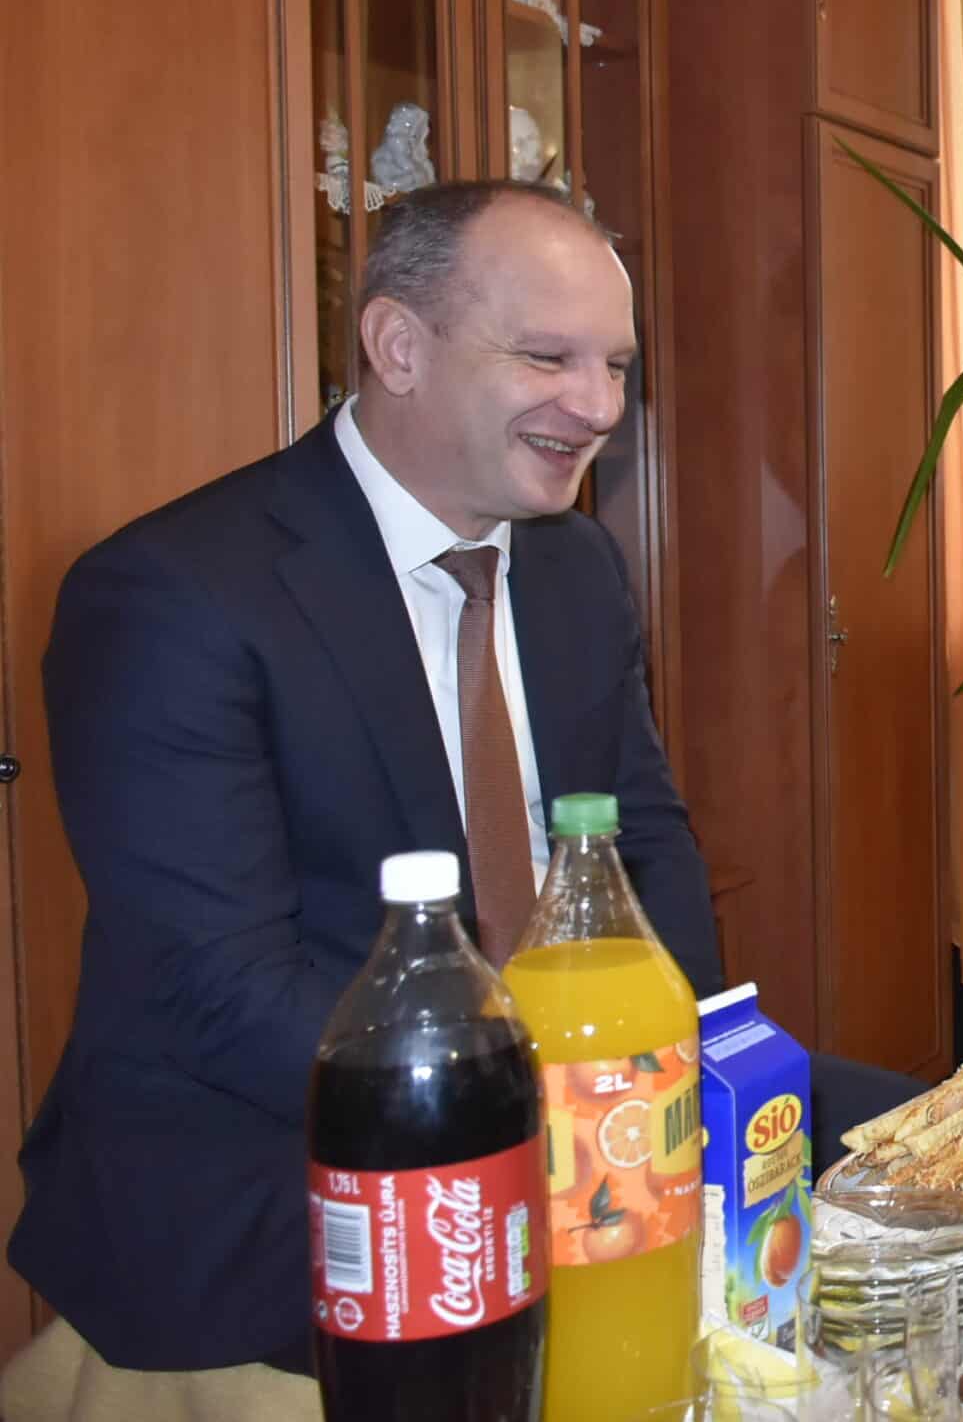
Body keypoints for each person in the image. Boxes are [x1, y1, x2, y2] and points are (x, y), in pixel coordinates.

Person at [8, 182, 911, 1392]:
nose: (598, 406)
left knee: (940, 1154)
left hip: (587, 1086)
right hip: (295, 1145)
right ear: (398, 346)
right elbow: (222, 992)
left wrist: (667, 1087)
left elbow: (645, 844)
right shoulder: (178, 594)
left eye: (615, 365)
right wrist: (574, 1122)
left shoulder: (575, 565)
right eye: (548, 357)